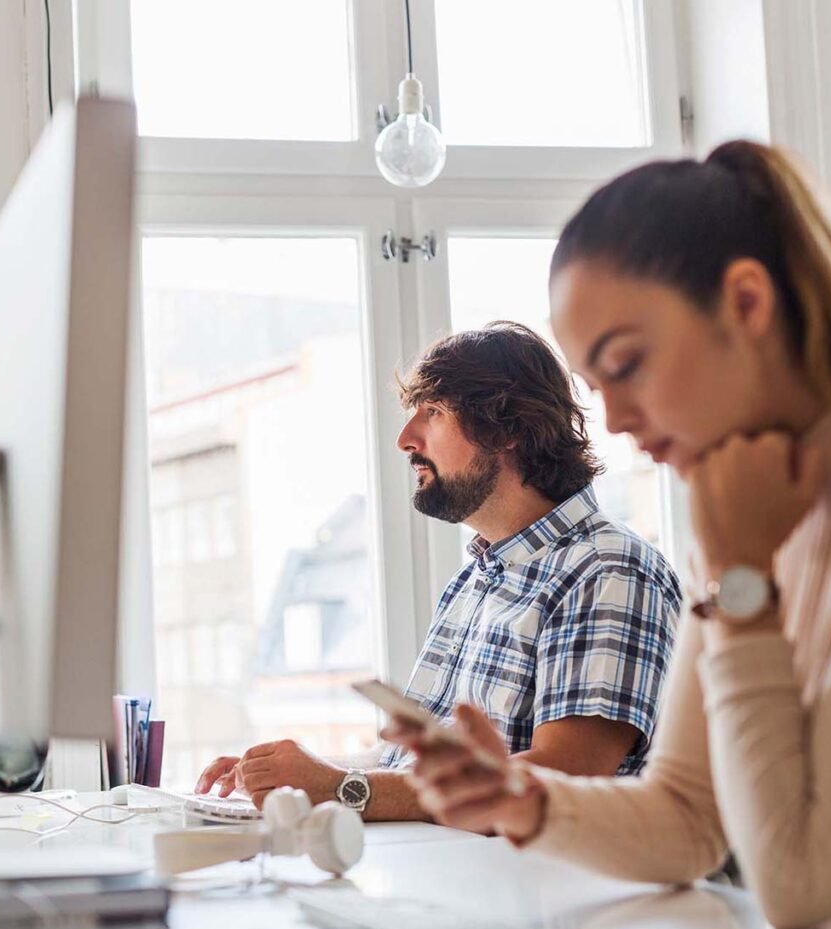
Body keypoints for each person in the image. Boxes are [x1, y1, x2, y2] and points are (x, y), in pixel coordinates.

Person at [392, 141, 831, 929]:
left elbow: (796, 881)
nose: (619, 422)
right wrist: (518, 801)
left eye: (629, 363)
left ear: (746, 304)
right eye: (598, 386)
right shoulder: (747, 509)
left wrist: (741, 583)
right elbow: (688, 818)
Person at [195, 321, 681, 821]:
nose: (406, 439)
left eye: (433, 412)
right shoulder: (472, 581)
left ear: (508, 429)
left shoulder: (608, 569)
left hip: (541, 892)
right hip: (453, 881)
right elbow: (413, 769)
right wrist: (293, 776)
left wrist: (341, 788)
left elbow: (565, 775)